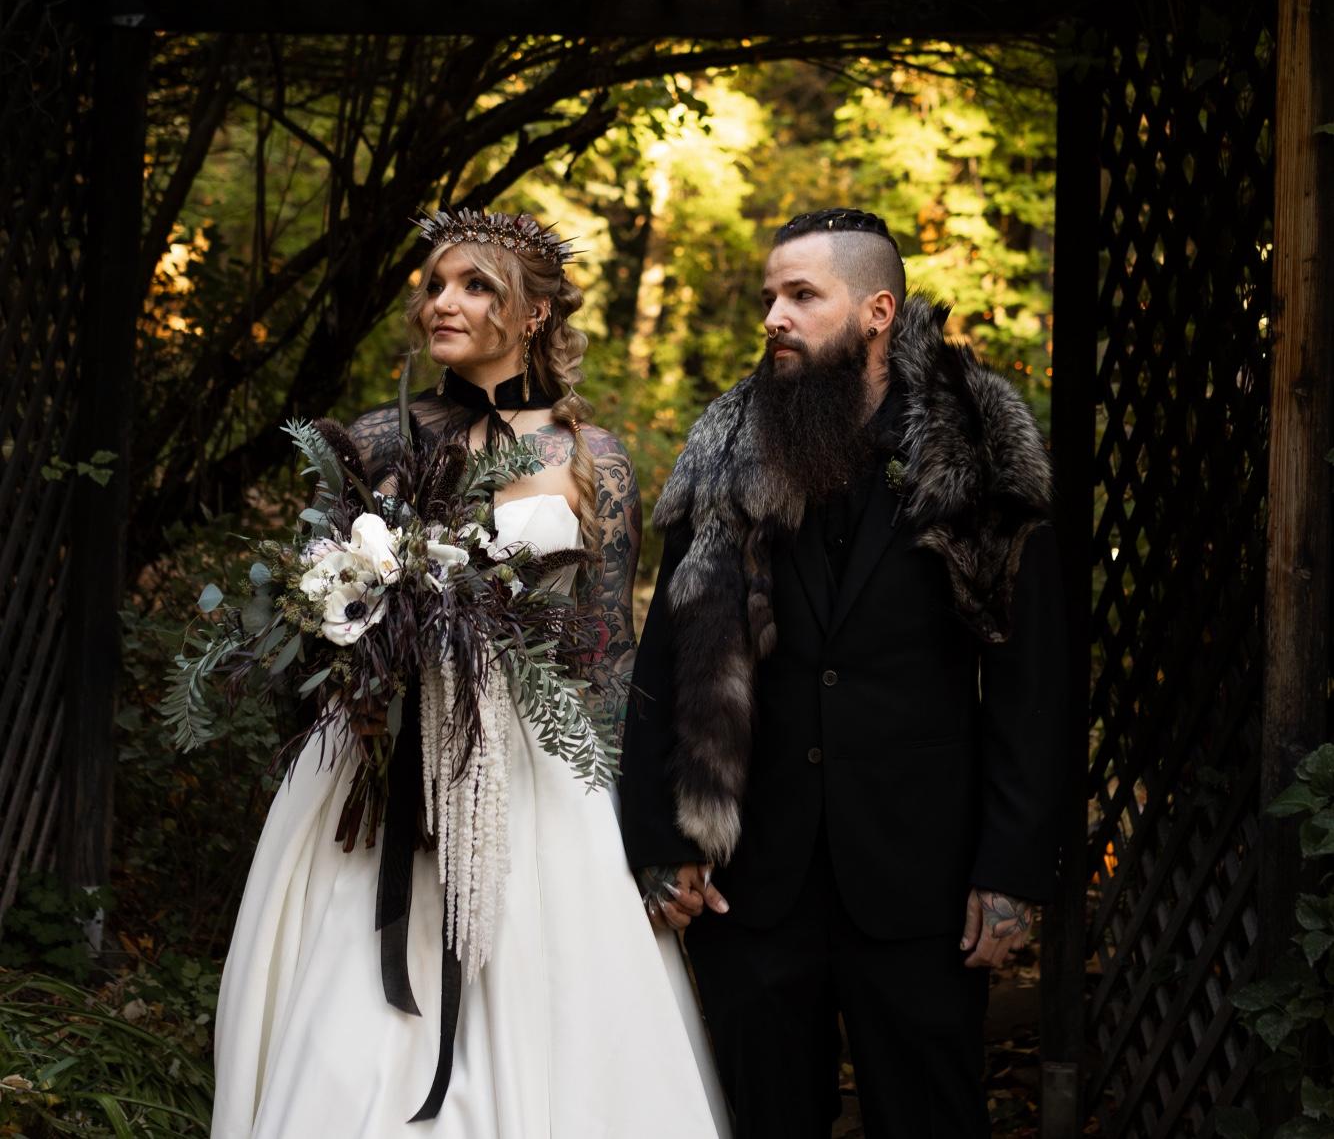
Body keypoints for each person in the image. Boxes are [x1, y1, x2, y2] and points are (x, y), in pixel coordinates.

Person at [212, 208, 729, 1138]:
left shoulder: (593, 458)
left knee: (551, 1001)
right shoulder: (378, 438)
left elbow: (607, 656)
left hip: (534, 770)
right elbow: (314, 600)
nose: (441, 303)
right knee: (348, 1014)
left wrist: (648, 836)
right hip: (379, 760)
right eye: (435, 285)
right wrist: (358, 674)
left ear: (533, 312)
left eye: (474, 285)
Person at [619, 207, 1068, 1138]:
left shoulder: (975, 450)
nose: (773, 317)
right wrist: (664, 838)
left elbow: (1031, 685)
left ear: (877, 312)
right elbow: (666, 653)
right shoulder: (726, 447)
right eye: (770, 297)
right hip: (751, 880)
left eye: (800, 295)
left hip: (923, 883)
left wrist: (1012, 870)